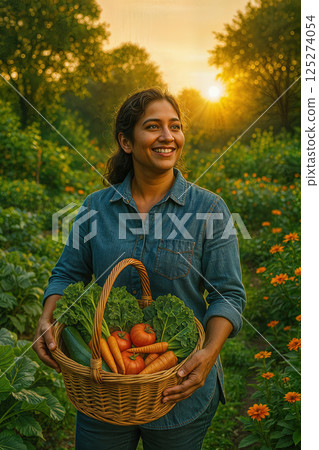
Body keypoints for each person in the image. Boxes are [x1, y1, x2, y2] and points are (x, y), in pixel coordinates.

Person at [33, 88, 246, 450]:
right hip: (104, 388)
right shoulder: (95, 207)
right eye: (153, 127)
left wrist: (208, 352)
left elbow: (228, 294)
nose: (168, 137)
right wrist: (48, 316)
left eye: (175, 126)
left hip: (179, 386)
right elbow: (68, 273)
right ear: (126, 142)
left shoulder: (210, 209)